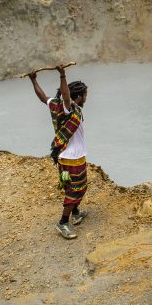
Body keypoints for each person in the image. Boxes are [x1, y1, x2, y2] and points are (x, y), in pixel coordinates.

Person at [29, 65, 89, 239]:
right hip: (72, 158)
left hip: (68, 157)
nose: (86, 98)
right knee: (74, 190)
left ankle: (76, 212)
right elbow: (65, 97)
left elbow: (42, 97)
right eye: (84, 95)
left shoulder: (54, 104)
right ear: (77, 97)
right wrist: (62, 75)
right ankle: (63, 222)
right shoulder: (67, 108)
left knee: (79, 187)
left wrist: (34, 80)